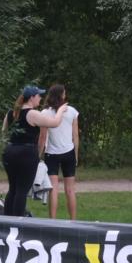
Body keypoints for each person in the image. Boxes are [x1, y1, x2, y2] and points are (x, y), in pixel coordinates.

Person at [1, 85, 68, 217]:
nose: (41, 98)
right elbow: (54, 123)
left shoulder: (11, 113)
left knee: (13, 188)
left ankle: (7, 221)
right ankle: (17, 223)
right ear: (31, 98)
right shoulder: (32, 113)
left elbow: (3, 131)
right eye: (38, 96)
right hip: (26, 153)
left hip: (9, 152)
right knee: (22, 190)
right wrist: (60, 110)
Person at [39, 84, 80, 220]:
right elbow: (75, 135)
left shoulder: (45, 113)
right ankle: (73, 222)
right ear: (61, 95)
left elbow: (43, 137)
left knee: (54, 190)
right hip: (69, 153)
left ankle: (53, 222)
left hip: (51, 154)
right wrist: (76, 155)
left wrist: (39, 154)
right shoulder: (72, 111)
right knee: (70, 190)